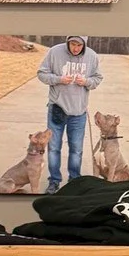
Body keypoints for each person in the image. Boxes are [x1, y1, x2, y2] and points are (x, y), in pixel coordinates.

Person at [38, 33, 103, 191]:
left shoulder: (92, 56)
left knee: (76, 149)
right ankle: (54, 181)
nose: (76, 48)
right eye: (73, 44)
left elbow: (98, 78)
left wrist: (86, 82)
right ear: (68, 42)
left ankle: (74, 181)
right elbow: (41, 74)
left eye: (79, 45)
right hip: (57, 109)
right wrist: (59, 79)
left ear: (84, 44)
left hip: (79, 112)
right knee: (53, 147)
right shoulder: (54, 52)